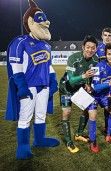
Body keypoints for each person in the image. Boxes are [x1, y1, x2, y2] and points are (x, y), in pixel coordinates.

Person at [5, 0, 59, 159]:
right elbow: (16, 67)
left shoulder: (46, 46)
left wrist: (53, 80)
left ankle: (39, 139)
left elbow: (49, 66)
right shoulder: (20, 42)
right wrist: (21, 86)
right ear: (30, 21)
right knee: (25, 117)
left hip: (44, 87)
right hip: (29, 87)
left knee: (41, 114)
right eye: (41, 18)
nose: (46, 22)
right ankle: (23, 145)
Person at [59, 35, 99, 153]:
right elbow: (71, 80)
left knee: (86, 110)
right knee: (66, 112)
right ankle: (68, 142)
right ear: (83, 47)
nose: (90, 50)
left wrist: (87, 83)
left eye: (93, 48)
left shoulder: (96, 60)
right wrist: (84, 76)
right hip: (66, 88)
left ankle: (78, 134)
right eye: (88, 47)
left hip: (80, 88)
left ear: (96, 49)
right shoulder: (73, 58)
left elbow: (91, 75)